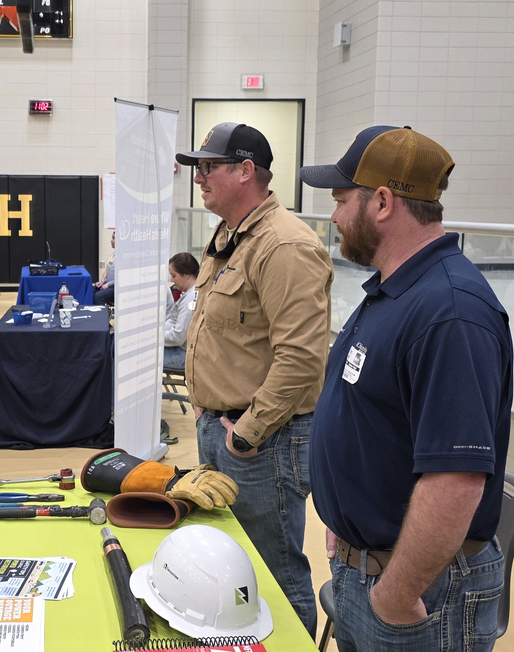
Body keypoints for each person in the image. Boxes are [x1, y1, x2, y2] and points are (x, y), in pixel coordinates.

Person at [302, 126, 512, 652]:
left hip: (416, 592)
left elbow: (456, 480)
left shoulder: (451, 311)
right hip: (367, 564)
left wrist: (396, 595)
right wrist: (348, 519)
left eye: (340, 200)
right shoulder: (396, 289)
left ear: (381, 201)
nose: (333, 217)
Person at [177, 122, 333, 637]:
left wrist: (246, 431)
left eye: (209, 166)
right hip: (221, 429)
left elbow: (301, 358)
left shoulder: (285, 245)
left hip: (263, 441)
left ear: (246, 171)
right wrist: (205, 406)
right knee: (232, 564)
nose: (199, 177)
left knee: (274, 574)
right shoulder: (228, 238)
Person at [163, 252, 198, 370]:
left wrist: (153, 338)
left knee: (139, 358)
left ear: (186, 274)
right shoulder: (189, 294)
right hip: (180, 348)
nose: (172, 280)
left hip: (183, 354)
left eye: (173, 275)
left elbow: (178, 337)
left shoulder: (190, 299)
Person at [94, 230, 116, 305]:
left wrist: (107, 284)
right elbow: (109, 273)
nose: (111, 240)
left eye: (113, 238)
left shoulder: (123, 257)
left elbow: (121, 278)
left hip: (115, 287)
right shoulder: (114, 254)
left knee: (98, 296)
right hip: (109, 284)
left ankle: (101, 316)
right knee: (92, 290)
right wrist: (102, 282)